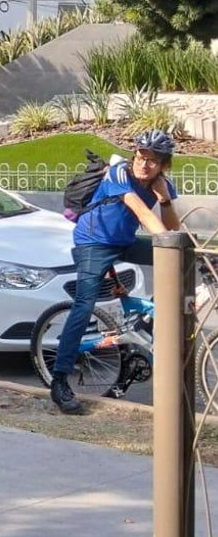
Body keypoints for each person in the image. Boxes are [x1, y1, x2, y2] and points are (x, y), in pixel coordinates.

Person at [51, 129, 180, 415]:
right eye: (141, 156)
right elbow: (141, 212)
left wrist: (165, 200)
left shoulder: (162, 184)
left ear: (163, 165)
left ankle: (147, 322)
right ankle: (59, 381)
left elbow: (172, 229)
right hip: (93, 242)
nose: (144, 164)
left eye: (152, 160)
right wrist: (171, 244)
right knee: (84, 305)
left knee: (181, 258)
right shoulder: (119, 172)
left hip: (123, 241)